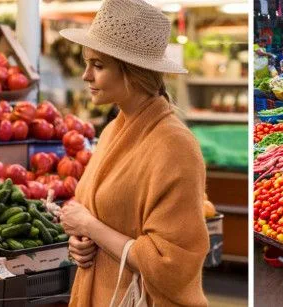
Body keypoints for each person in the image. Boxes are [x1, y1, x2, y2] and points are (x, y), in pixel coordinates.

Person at [57, 0, 210, 305]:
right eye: (88, 63)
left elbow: (172, 264)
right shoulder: (116, 129)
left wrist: (90, 227)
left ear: (133, 73)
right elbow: (102, 213)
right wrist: (82, 242)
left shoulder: (175, 144)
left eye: (98, 65)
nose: (86, 75)